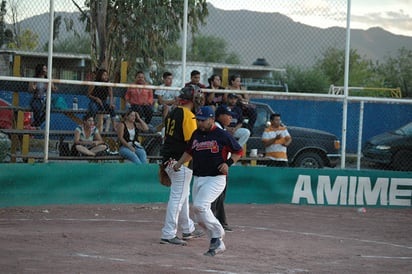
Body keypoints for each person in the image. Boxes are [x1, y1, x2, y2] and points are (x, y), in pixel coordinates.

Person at [172, 106, 243, 256]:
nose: (199, 123)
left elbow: (239, 151)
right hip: (199, 178)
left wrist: (228, 163)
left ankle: (218, 233)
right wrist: (179, 163)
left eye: (202, 120)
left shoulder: (221, 134)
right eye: (197, 120)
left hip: (216, 178)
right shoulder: (196, 134)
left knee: (200, 205)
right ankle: (215, 243)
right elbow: (189, 151)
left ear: (211, 119)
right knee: (199, 215)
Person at [159, 85, 205, 246]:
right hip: (180, 163)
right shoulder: (189, 116)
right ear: (193, 99)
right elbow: (191, 143)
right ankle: (168, 233)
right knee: (178, 199)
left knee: (183, 197)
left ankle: (187, 229)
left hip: (168, 159)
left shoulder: (173, 112)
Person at [211, 105, 236, 232]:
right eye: (228, 115)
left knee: (220, 197)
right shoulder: (217, 130)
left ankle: (220, 221)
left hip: (223, 167)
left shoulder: (222, 130)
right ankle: (214, 222)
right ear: (220, 116)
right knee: (216, 196)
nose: (230, 118)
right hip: (217, 167)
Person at [28, 64, 57, 128]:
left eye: (46, 69)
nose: (45, 70)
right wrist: (33, 88)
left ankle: (36, 124)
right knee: (37, 107)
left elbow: (54, 89)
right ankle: (36, 124)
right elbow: (30, 90)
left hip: (45, 99)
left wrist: (52, 87)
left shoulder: (47, 79)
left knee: (49, 109)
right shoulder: (34, 79)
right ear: (40, 70)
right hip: (36, 98)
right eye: (44, 69)